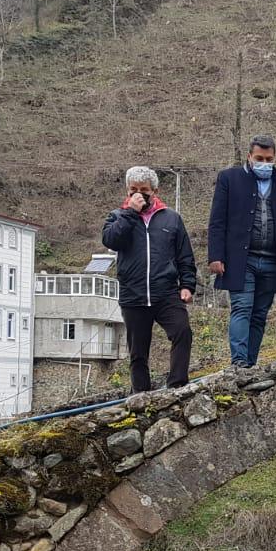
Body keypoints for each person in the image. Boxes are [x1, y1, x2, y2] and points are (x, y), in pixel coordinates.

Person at [103, 165, 197, 392]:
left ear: (154, 190)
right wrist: (130, 213)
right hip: (133, 295)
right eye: (133, 189)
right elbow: (111, 240)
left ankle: (177, 385)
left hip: (165, 292)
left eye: (143, 189)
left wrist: (187, 285)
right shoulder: (117, 216)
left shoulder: (171, 219)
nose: (138, 193)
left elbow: (184, 254)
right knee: (137, 352)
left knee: (182, 331)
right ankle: (141, 396)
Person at [208, 135, 276, 368]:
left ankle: (251, 363)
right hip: (241, 260)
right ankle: (239, 363)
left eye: (269, 159)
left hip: (272, 262)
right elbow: (217, 219)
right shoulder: (229, 178)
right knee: (242, 308)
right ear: (250, 156)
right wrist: (216, 256)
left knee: (259, 315)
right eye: (259, 158)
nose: (264, 163)